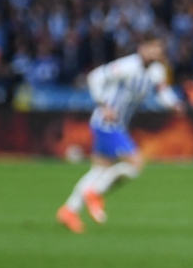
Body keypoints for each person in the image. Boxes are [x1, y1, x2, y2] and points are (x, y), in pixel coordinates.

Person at [56, 38, 184, 233]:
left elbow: (162, 91)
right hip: (106, 123)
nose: (155, 52)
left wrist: (173, 104)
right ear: (142, 48)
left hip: (118, 125)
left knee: (99, 170)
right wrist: (103, 105)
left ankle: (69, 210)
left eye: (159, 49)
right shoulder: (126, 66)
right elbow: (94, 77)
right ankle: (95, 193)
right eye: (152, 48)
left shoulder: (156, 71)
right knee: (136, 163)